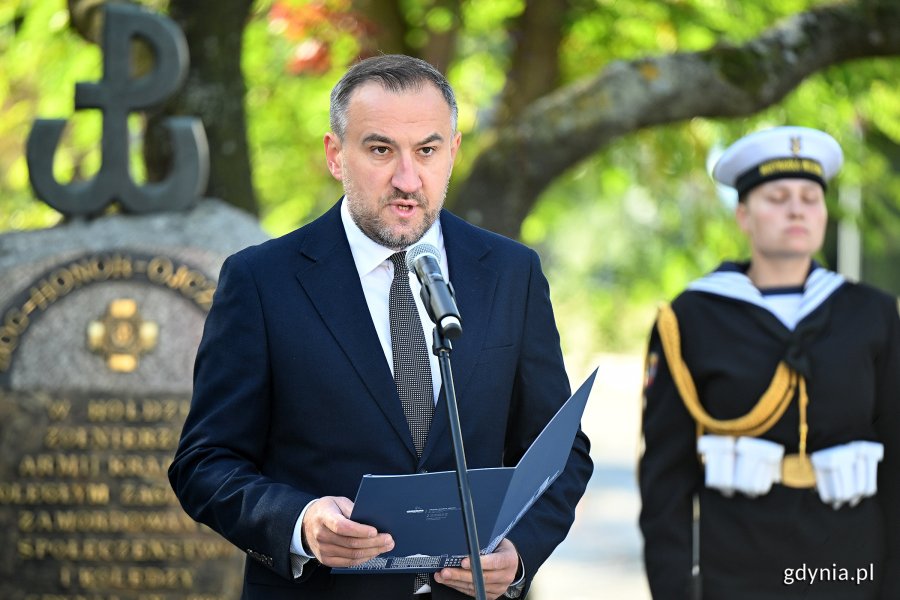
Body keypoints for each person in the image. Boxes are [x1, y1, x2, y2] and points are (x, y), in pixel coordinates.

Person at [168, 54, 593, 600]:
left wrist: (520, 552)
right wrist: (300, 522)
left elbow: (558, 452)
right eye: (380, 149)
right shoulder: (260, 280)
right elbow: (204, 462)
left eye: (427, 150)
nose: (407, 178)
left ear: (454, 152)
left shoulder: (512, 273)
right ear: (335, 155)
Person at [638, 125, 899, 599]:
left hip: (853, 572)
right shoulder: (691, 319)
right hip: (738, 572)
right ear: (743, 215)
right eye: (777, 197)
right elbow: (665, 483)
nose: (797, 208)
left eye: (810, 197)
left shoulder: (872, 314)